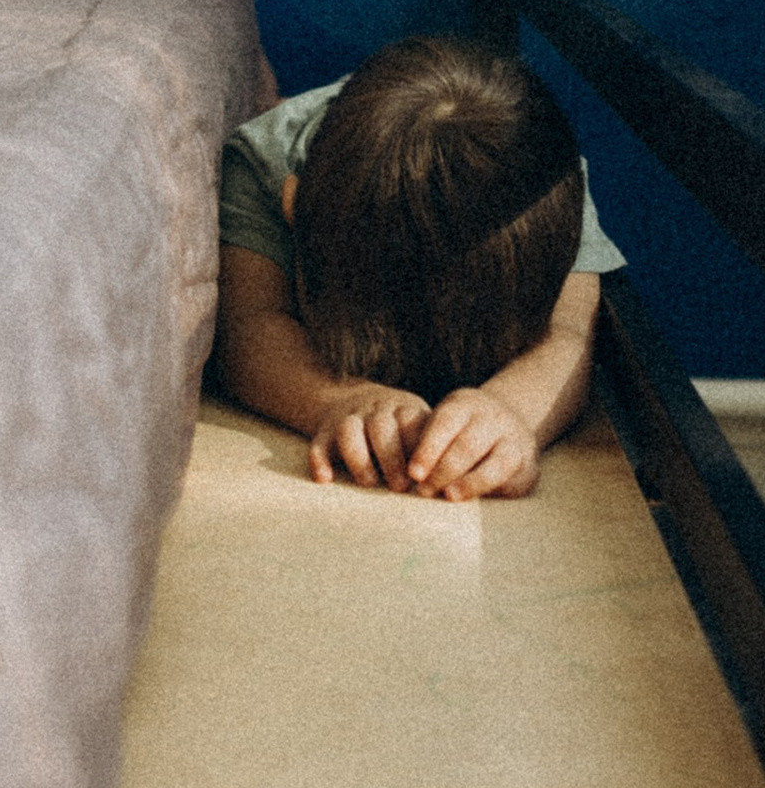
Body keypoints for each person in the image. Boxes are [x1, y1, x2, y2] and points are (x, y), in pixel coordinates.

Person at [213, 35, 623, 499]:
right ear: (293, 209)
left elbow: (569, 328)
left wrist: (510, 410)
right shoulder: (265, 163)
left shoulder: (545, 189)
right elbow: (249, 324)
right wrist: (340, 400)